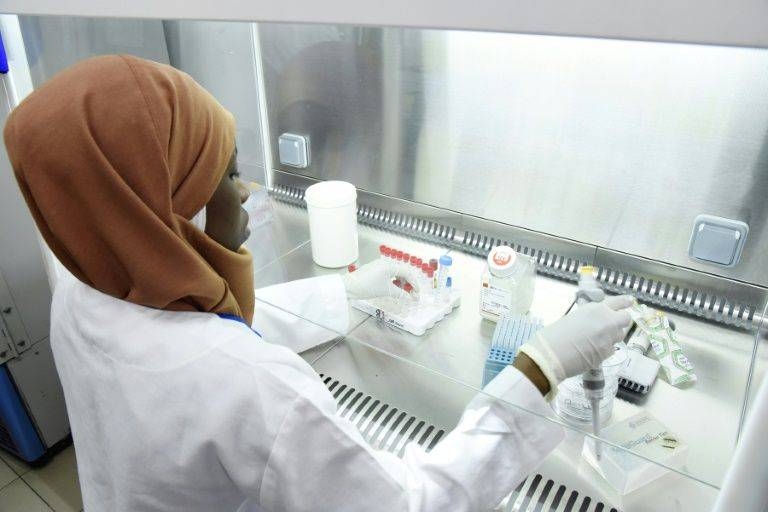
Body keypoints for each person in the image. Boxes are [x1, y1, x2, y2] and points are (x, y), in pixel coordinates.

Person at [4, 55, 633, 512]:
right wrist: (540, 368)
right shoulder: (251, 386)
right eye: (225, 175)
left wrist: (343, 295)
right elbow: (411, 505)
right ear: (170, 208)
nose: (245, 191)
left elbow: (187, 339)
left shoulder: (85, 288)